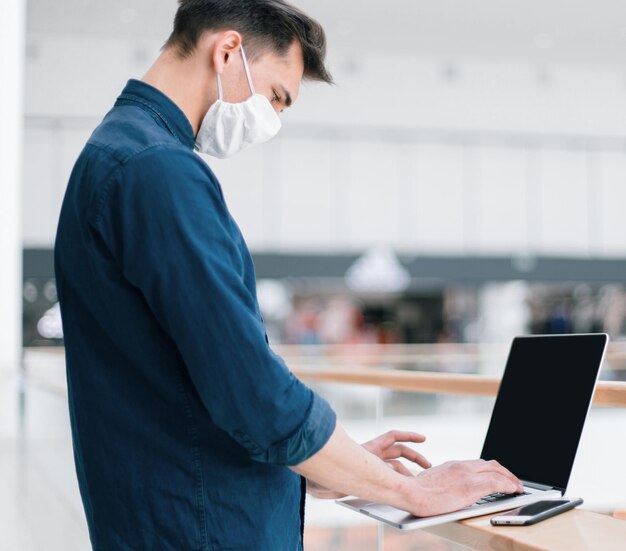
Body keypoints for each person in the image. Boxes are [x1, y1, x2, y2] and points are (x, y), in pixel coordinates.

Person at [54, 1, 523, 549]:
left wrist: (337, 464)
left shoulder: (114, 152)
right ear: (227, 51)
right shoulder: (159, 171)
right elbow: (251, 393)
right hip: (202, 527)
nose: (270, 120)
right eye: (276, 96)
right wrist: (417, 493)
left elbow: (182, 384)